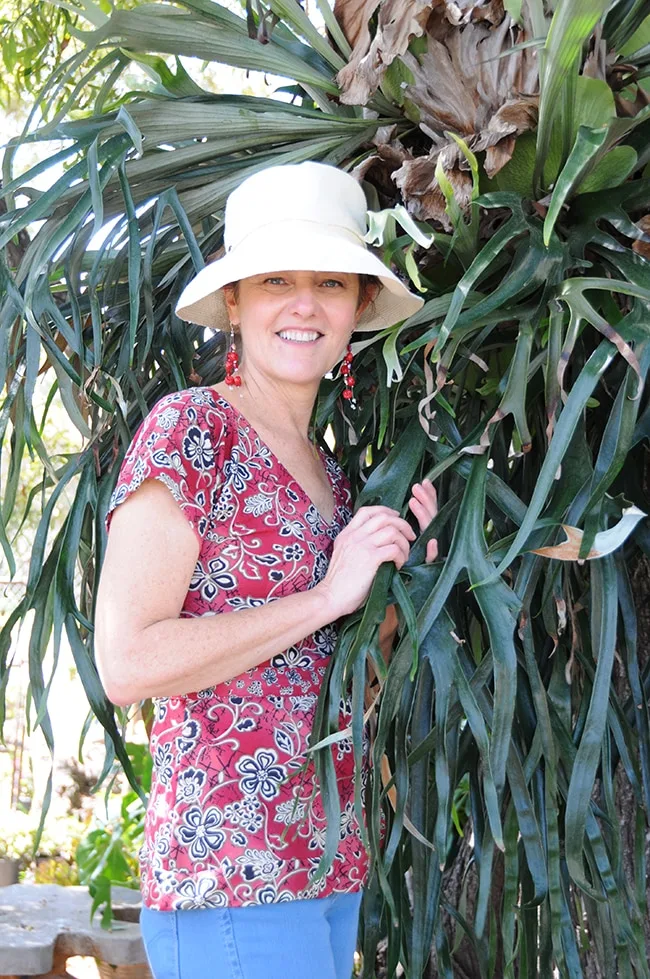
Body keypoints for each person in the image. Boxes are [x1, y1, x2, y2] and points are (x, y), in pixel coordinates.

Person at [94, 161, 438, 979]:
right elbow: (126, 661)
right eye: (276, 278)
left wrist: (403, 570)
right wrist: (327, 593)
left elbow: (340, 661)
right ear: (236, 303)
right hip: (231, 877)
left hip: (325, 865)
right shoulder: (191, 431)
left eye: (330, 281)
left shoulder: (334, 476)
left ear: (357, 307)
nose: (305, 303)